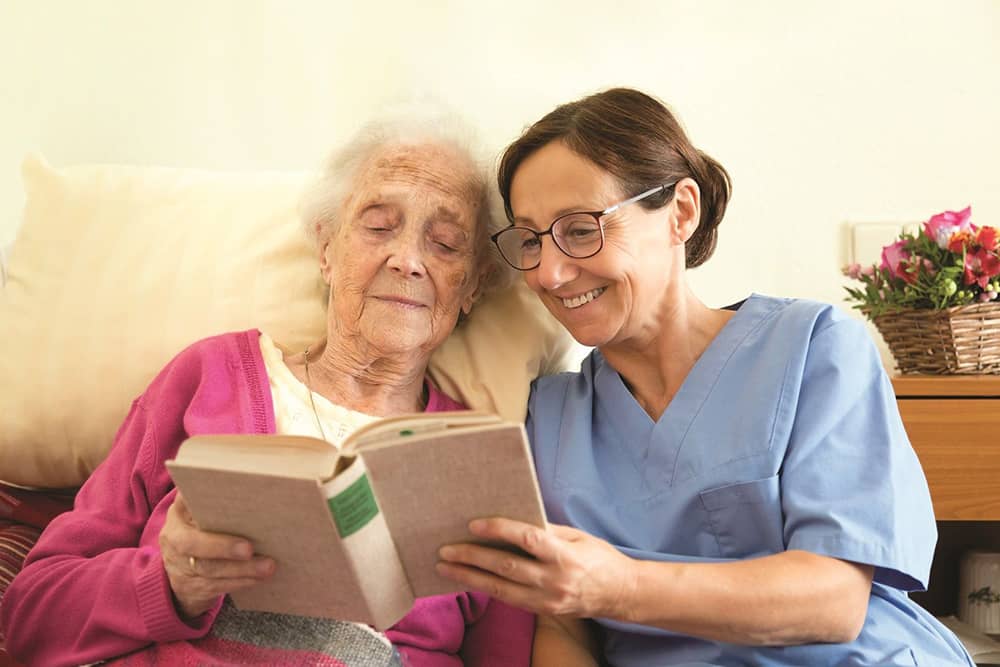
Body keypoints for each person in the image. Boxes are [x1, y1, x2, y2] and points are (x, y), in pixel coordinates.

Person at [435, 87, 975, 666]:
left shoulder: (812, 347)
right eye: (531, 240)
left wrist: (618, 586)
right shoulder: (548, 416)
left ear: (681, 212)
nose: (550, 271)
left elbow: (834, 600)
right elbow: (566, 630)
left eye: (581, 228)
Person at [0, 113, 533, 667]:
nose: (408, 259)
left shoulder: (483, 460)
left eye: (446, 243)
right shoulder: (206, 378)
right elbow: (32, 614)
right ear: (326, 250)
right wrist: (171, 583)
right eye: (378, 226)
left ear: (471, 286)